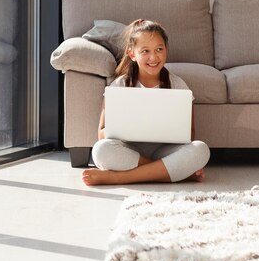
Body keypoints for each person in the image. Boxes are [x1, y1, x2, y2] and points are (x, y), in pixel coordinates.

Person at [82, 19, 210, 186]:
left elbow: (190, 134)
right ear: (132, 54)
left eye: (159, 49)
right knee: (101, 150)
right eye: (145, 51)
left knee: (201, 150)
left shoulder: (178, 85)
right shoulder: (119, 85)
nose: (153, 57)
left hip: (164, 151)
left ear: (166, 50)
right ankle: (170, 172)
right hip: (130, 151)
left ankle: (117, 178)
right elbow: (101, 132)